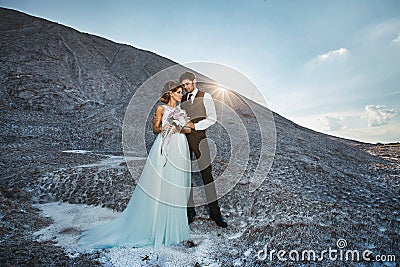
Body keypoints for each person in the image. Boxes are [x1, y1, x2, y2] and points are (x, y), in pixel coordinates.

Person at [78, 81, 192, 249]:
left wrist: (177, 128)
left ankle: (174, 228)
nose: (181, 94)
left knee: (176, 183)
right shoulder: (161, 108)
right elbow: (155, 129)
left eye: (182, 92)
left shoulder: (181, 111)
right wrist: (166, 128)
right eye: (178, 92)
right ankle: (155, 226)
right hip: (164, 144)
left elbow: (189, 130)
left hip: (180, 146)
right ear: (170, 93)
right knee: (160, 181)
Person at [180, 71, 228, 228]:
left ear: (194, 81)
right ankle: (190, 212)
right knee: (185, 175)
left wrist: (196, 126)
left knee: (207, 175)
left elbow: (212, 118)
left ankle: (215, 214)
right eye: (183, 85)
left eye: (187, 83)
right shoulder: (184, 98)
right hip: (184, 139)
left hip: (200, 138)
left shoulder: (205, 96)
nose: (186, 87)